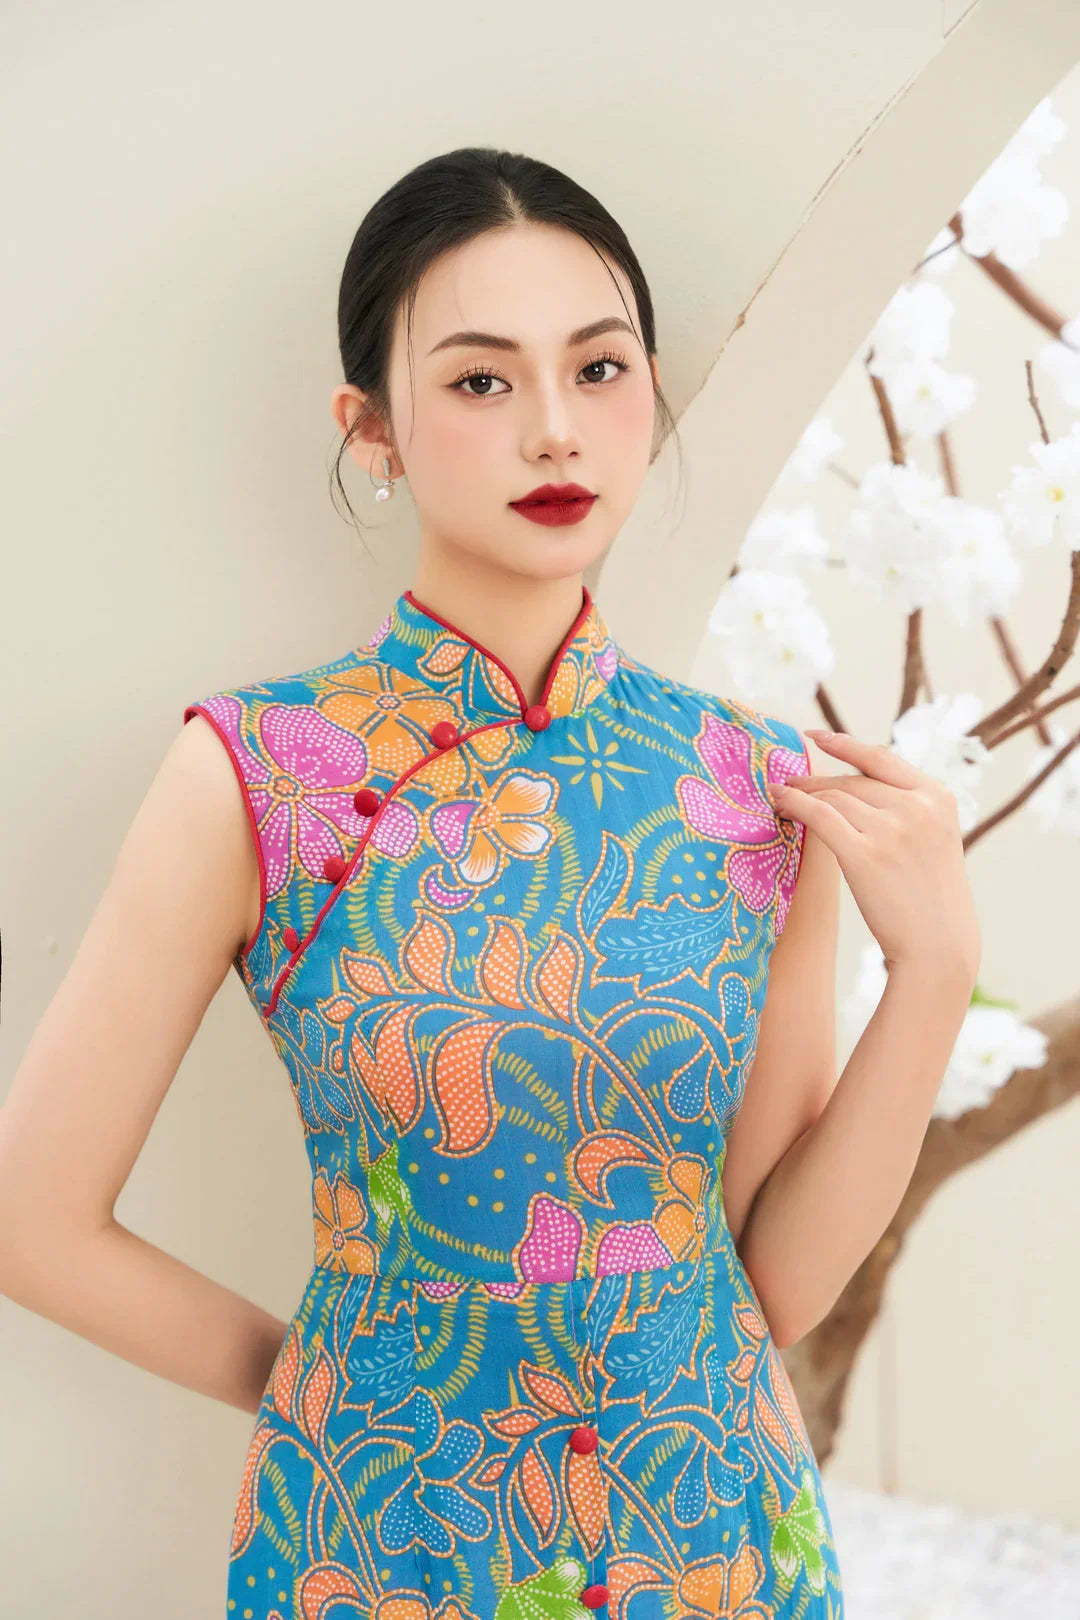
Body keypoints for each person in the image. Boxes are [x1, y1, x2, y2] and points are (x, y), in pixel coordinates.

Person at [0, 146, 980, 1620]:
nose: (552, 433)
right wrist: (324, 1382)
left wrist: (938, 977)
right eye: (478, 382)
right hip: (380, 1541)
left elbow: (769, 1286)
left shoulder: (749, 783)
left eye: (598, 370)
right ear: (372, 426)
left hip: (710, 1542)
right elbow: (31, 1217)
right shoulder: (262, 773)